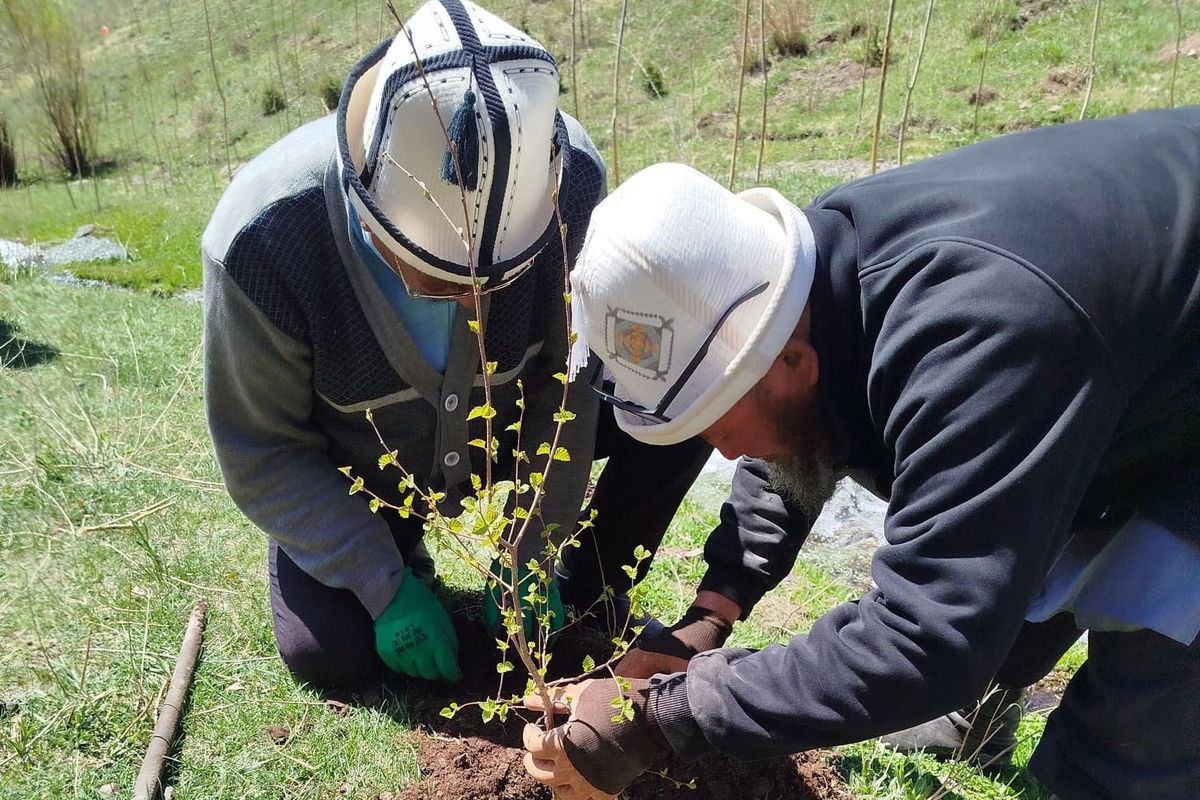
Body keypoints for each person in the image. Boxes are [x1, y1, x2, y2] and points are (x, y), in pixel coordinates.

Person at [520, 107, 1200, 800]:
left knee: (1136, 727)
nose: (718, 448)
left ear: (791, 360)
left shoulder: (980, 340)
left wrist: (664, 717)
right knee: (1007, 558)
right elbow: (790, 442)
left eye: (715, 418)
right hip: (1125, 354)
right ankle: (979, 717)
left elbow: (925, 637)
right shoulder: (801, 284)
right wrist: (709, 616)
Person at [202, 0, 709, 691]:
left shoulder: (568, 184)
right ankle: (396, 555)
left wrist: (535, 545)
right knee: (327, 652)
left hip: (497, 441)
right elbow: (263, 451)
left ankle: (586, 588)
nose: (474, 300)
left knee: (689, 392)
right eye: (437, 277)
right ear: (370, 213)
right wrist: (379, 584)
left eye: (497, 278)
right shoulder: (266, 241)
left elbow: (569, 381)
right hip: (365, 476)